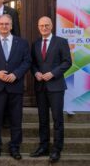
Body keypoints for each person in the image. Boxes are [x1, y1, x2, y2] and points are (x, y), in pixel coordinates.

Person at [0, 14, 31, 160]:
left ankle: (15, 148)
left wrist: (16, 74)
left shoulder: (22, 43)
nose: (4, 26)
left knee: (16, 120)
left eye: (7, 24)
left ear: (11, 26)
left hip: (15, 87)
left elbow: (27, 61)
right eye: (1, 24)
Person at [30, 16, 71, 163]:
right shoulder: (35, 44)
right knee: (42, 119)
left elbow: (67, 62)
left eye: (46, 25)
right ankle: (44, 146)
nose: (44, 28)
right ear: (38, 27)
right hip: (40, 87)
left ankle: (57, 149)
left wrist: (53, 73)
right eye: (41, 26)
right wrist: (36, 73)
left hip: (56, 87)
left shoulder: (61, 42)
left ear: (51, 26)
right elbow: (32, 63)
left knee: (57, 119)